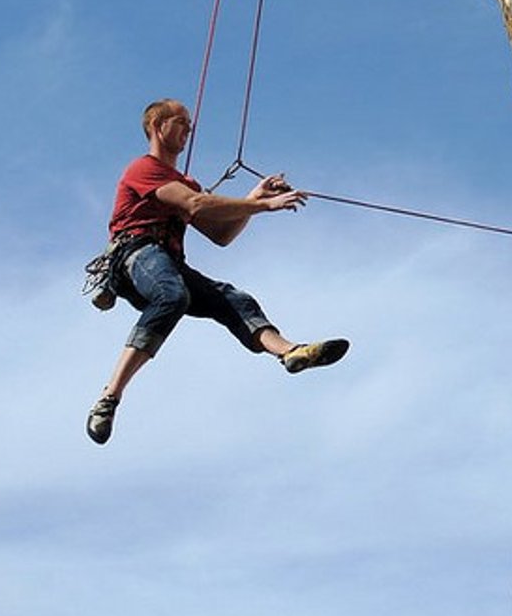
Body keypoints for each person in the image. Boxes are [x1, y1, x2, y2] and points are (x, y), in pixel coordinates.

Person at [85, 99, 350, 444]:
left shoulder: (186, 182)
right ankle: (110, 395)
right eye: (180, 121)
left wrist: (254, 198)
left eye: (190, 123)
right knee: (172, 294)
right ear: (156, 126)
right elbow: (195, 204)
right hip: (135, 256)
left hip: (168, 262)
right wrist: (264, 204)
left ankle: (289, 352)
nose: (188, 129)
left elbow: (221, 234)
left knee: (233, 299)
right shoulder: (143, 168)